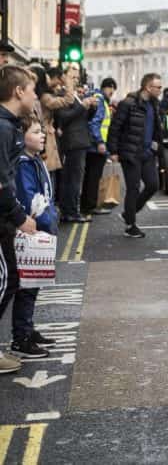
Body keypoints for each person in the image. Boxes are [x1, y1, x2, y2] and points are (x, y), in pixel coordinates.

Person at [0, 65, 38, 374]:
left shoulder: (10, 124)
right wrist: (19, 216)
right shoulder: (2, 127)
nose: (36, 96)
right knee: (5, 281)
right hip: (3, 216)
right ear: (19, 91)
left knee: (9, 279)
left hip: (5, 216)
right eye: (33, 90)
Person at [11, 117, 58, 358]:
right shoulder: (23, 164)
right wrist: (45, 219)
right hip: (32, 228)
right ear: (22, 136)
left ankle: (27, 329)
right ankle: (21, 337)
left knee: (33, 284)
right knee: (25, 286)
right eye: (36, 132)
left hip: (42, 226)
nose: (43, 135)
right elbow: (29, 199)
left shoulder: (34, 160)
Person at [107, 74, 164, 239]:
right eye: (157, 87)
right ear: (147, 87)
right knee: (133, 188)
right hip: (130, 153)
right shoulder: (128, 104)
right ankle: (130, 225)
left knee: (153, 185)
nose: (160, 90)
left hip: (147, 153)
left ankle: (129, 213)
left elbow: (156, 128)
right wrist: (113, 151)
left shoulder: (154, 104)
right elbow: (115, 127)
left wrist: (156, 145)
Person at [52, 66, 97, 223]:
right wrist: (82, 106)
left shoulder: (76, 95)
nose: (76, 80)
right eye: (72, 77)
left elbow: (84, 117)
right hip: (72, 142)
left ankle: (71, 210)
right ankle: (70, 212)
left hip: (80, 140)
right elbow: (63, 118)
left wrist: (92, 107)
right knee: (72, 179)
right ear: (63, 77)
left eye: (77, 77)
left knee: (75, 178)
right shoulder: (61, 95)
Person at [81, 77, 116, 217]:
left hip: (91, 145)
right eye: (111, 88)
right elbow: (95, 123)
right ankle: (90, 206)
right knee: (94, 177)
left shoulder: (95, 97)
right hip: (96, 146)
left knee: (89, 176)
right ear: (106, 87)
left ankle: (86, 205)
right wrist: (100, 142)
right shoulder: (100, 99)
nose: (112, 92)